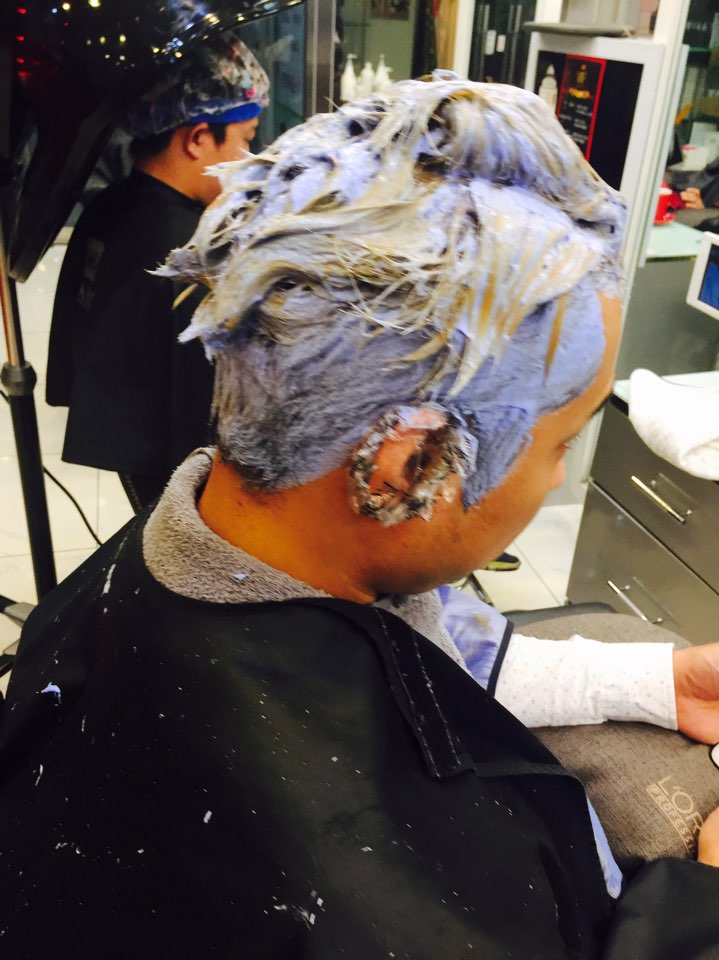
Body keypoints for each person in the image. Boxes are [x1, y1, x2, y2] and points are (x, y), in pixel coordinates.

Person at [3, 75, 719, 957]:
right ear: (403, 469)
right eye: (561, 442)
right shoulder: (352, 896)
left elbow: (426, 653)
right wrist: (701, 901)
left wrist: (653, 682)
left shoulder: (210, 525)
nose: (559, 474)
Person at [45, 34, 270, 511]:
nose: (250, 160)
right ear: (197, 139)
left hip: (131, 442)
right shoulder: (189, 249)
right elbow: (203, 399)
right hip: (180, 467)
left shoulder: (108, 205)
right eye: (246, 140)